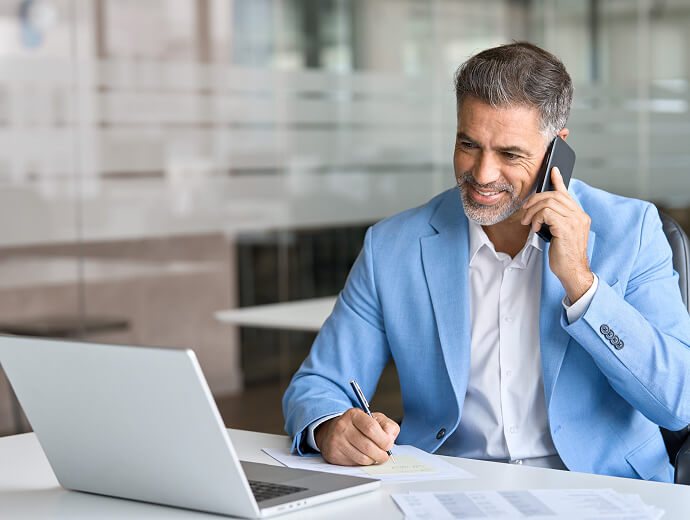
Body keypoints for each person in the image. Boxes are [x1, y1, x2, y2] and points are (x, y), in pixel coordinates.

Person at [282, 42, 690, 481]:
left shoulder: (634, 230)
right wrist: (329, 427)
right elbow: (318, 384)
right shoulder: (393, 246)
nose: (482, 174)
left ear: (557, 149)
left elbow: (678, 401)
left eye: (510, 154)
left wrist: (583, 286)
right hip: (448, 487)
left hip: (603, 486)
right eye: (468, 144)